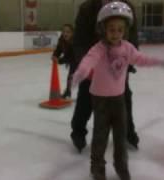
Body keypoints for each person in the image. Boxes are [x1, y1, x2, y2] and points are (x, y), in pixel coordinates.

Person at [72, 2, 164, 180]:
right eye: (111, 29)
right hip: (100, 99)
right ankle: (97, 167)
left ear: (125, 30)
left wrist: (159, 62)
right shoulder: (99, 48)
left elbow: (141, 59)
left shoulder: (127, 47)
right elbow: (88, 59)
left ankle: (121, 166)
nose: (115, 34)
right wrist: (81, 72)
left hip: (118, 98)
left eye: (120, 30)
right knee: (100, 136)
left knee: (120, 136)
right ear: (103, 29)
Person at [70, 0, 139, 153]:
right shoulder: (87, 8)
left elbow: (132, 37)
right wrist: (87, 65)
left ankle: (129, 133)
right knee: (85, 100)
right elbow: (79, 40)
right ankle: (78, 133)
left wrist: (129, 61)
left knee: (124, 98)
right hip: (94, 63)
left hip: (118, 64)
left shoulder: (127, 7)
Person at [52, 24, 74, 98]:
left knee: (78, 77)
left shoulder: (75, 42)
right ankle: (68, 91)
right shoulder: (61, 40)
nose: (65, 34)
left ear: (72, 33)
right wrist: (55, 55)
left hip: (80, 60)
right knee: (71, 76)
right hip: (72, 61)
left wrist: (59, 61)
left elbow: (70, 56)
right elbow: (59, 49)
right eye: (64, 31)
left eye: (68, 32)